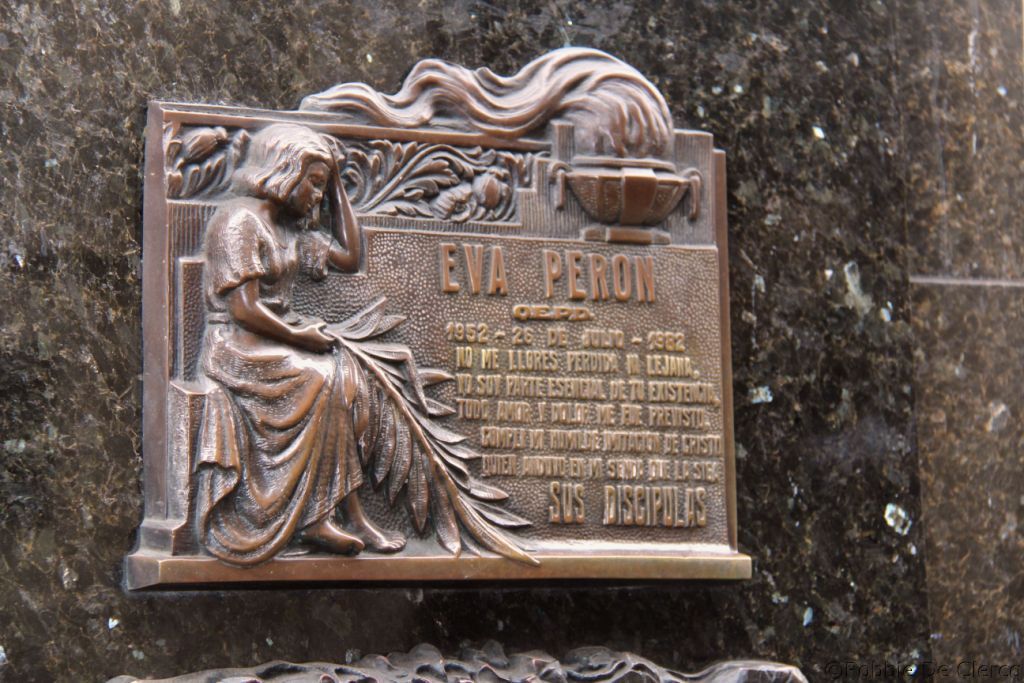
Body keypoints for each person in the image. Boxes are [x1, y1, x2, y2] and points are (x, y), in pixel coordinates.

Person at [193, 123, 404, 566]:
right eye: (313, 183)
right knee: (320, 378)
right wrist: (300, 337)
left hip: (273, 340)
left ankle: (348, 515)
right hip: (236, 345)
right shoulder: (239, 222)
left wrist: (336, 189)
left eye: (321, 186)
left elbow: (350, 257)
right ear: (284, 171)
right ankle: (318, 518)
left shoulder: (287, 229)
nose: (316, 195)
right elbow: (244, 309)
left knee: (344, 376)